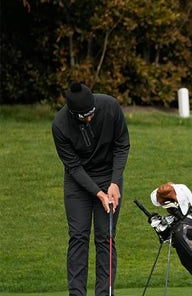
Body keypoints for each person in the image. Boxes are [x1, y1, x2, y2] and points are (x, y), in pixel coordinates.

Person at [52, 82, 130, 296]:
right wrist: (98, 193)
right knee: (78, 236)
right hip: (78, 182)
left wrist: (114, 181)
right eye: (83, 116)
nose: (89, 118)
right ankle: (76, 294)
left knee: (106, 237)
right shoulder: (60, 125)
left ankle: (104, 293)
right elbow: (73, 167)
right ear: (72, 114)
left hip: (109, 177)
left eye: (91, 113)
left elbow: (122, 144)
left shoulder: (110, 107)